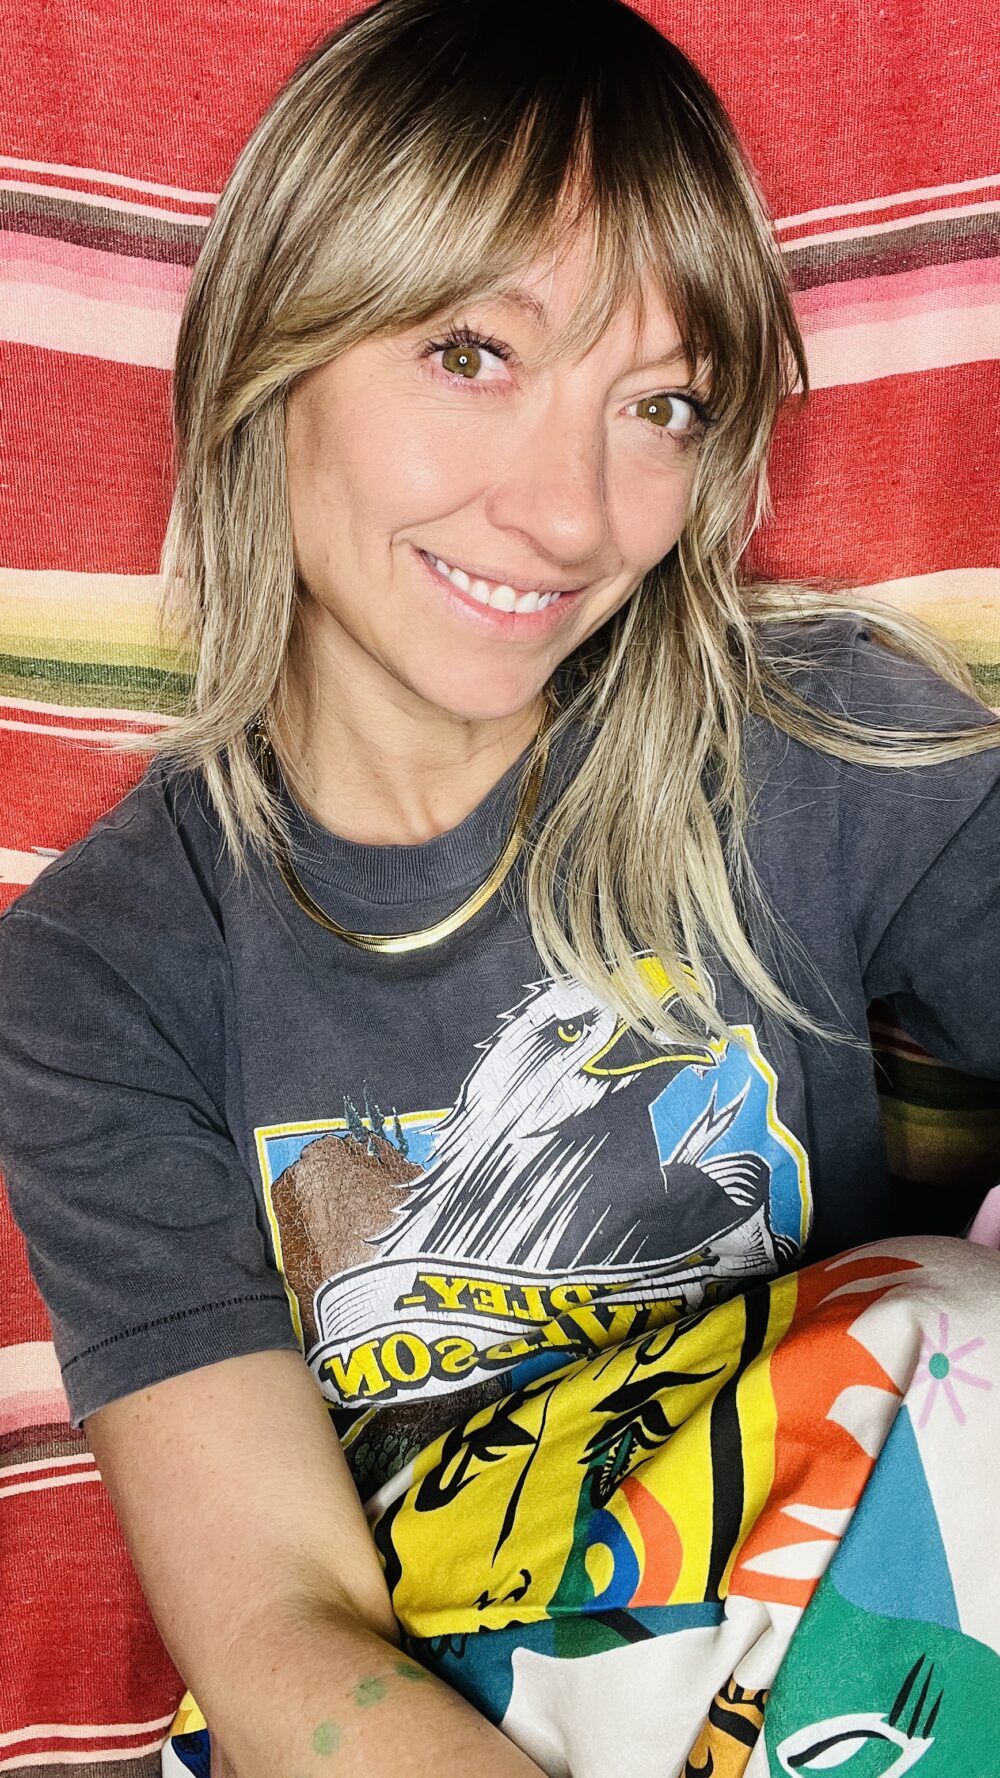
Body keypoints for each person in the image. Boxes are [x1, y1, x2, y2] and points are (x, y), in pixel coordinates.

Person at [1, 0, 999, 1773]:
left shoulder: (818, 751)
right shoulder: (105, 969)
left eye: (660, 405)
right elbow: (279, 1622)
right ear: (272, 352)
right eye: (471, 354)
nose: (570, 515)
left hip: (839, 1667)